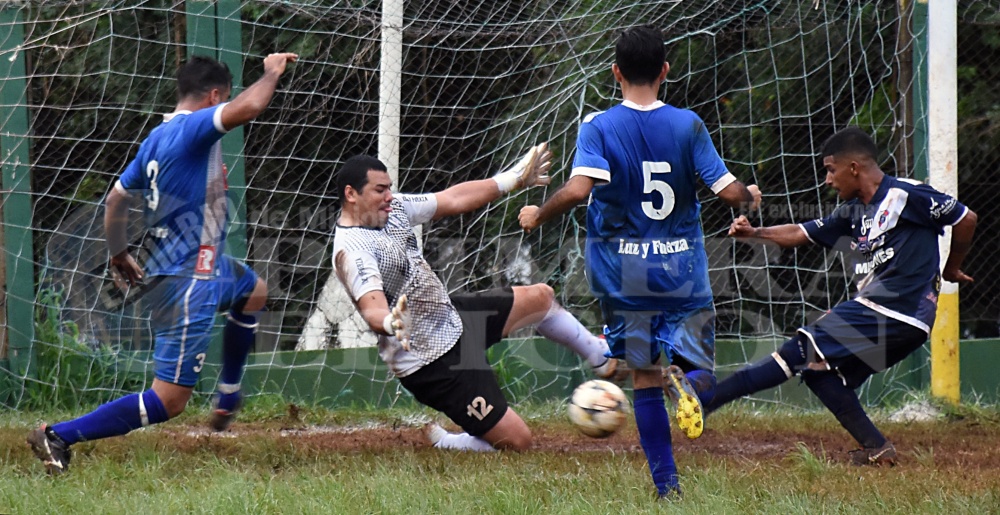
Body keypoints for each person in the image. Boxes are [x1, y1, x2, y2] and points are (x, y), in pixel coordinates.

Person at [27, 53, 298, 474]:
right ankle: (59, 434)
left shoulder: (155, 138)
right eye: (223, 98)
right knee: (169, 401)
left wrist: (118, 252)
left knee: (255, 291)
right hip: (188, 281)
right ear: (214, 96)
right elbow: (250, 107)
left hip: (203, 267)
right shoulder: (192, 127)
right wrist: (271, 72)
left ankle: (229, 392)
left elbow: (115, 199)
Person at [518, 26, 759, 498]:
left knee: (645, 375)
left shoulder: (599, 126)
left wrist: (538, 213)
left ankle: (668, 489)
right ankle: (687, 384)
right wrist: (749, 197)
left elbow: (579, 190)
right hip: (681, 269)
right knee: (701, 372)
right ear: (665, 71)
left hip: (622, 271)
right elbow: (731, 194)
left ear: (616, 72)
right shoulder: (688, 124)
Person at [709, 127, 978, 466]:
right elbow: (800, 232)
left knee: (799, 350)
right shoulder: (852, 212)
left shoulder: (906, 194)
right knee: (817, 370)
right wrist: (754, 232)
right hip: (904, 322)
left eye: (830, 170)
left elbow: (966, 218)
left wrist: (952, 268)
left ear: (853, 167)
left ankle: (708, 400)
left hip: (895, 308)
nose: (827, 180)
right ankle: (877, 448)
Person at [333, 146, 621, 452]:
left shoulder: (394, 210)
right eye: (380, 190)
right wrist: (391, 322)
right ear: (351, 194)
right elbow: (372, 308)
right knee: (518, 441)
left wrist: (512, 179)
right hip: (432, 363)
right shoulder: (353, 250)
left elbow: (454, 198)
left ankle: (601, 358)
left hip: (451, 318)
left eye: (389, 188)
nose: (390, 196)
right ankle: (449, 443)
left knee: (540, 298)